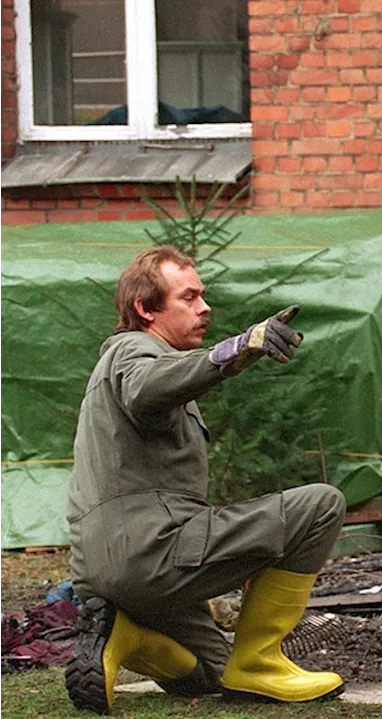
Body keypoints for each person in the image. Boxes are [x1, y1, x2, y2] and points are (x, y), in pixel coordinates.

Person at [64, 246, 348, 714]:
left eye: (203, 297)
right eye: (189, 297)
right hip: (150, 554)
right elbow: (146, 387)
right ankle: (259, 662)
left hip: (101, 574)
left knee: (213, 672)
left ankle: (126, 638)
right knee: (319, 505)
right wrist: (233, 350)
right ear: (146, 308)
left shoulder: (122, 368)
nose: (205, 308)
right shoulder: (135, 350)